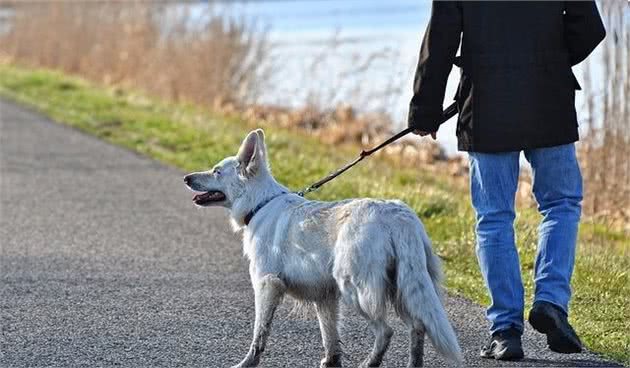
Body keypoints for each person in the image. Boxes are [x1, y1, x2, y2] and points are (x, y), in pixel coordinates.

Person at [408, 1, 606, 361]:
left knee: (494, 217)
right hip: (550, 99)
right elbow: (590, 29)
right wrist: (551, 60)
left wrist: (425, 109)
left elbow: (441, 39)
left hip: (487, 106)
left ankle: (505, 331)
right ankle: (551, 302)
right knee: (561, 204)